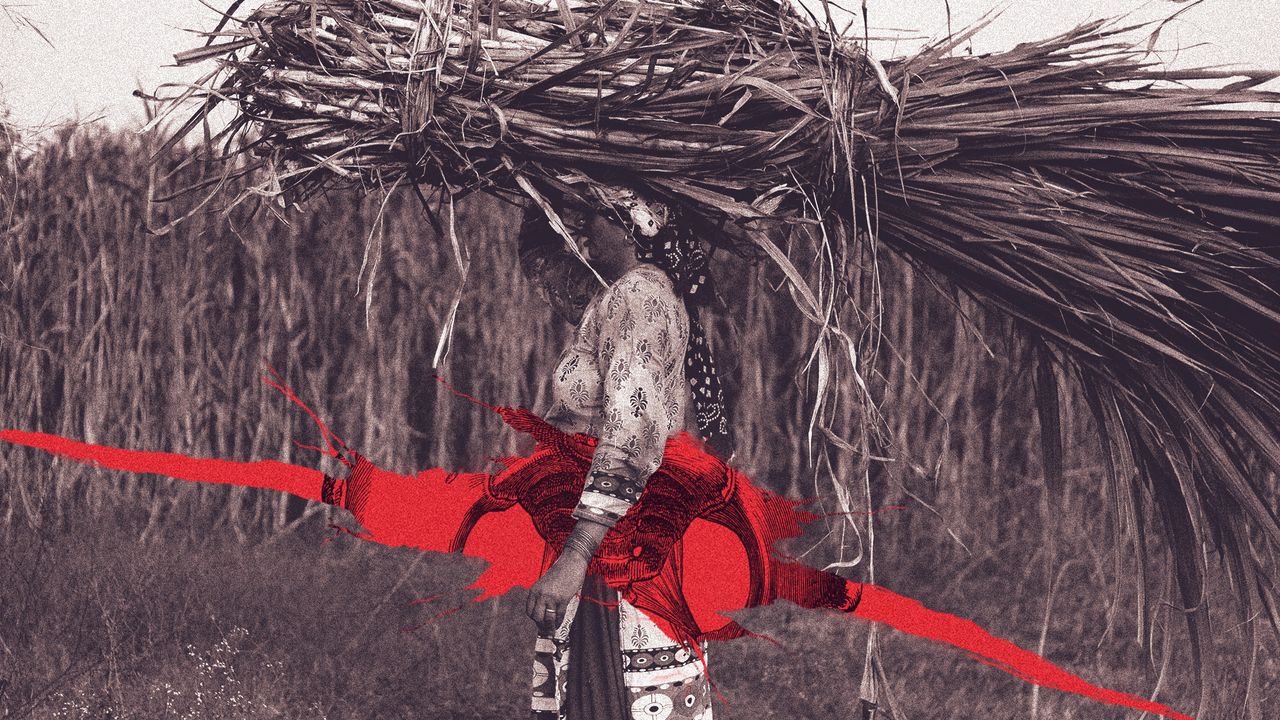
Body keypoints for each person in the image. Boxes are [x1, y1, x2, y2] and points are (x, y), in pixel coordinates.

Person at [517, 193, 729, 720]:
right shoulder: (622, 295)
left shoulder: (641, 296)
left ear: (635, 226)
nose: (581, 229)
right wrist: (533, 194)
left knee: (614, 698)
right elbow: (555, 277)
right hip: (608, 534)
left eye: (591, 217)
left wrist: (575, 556)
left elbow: (631, 436)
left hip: (617, 543)